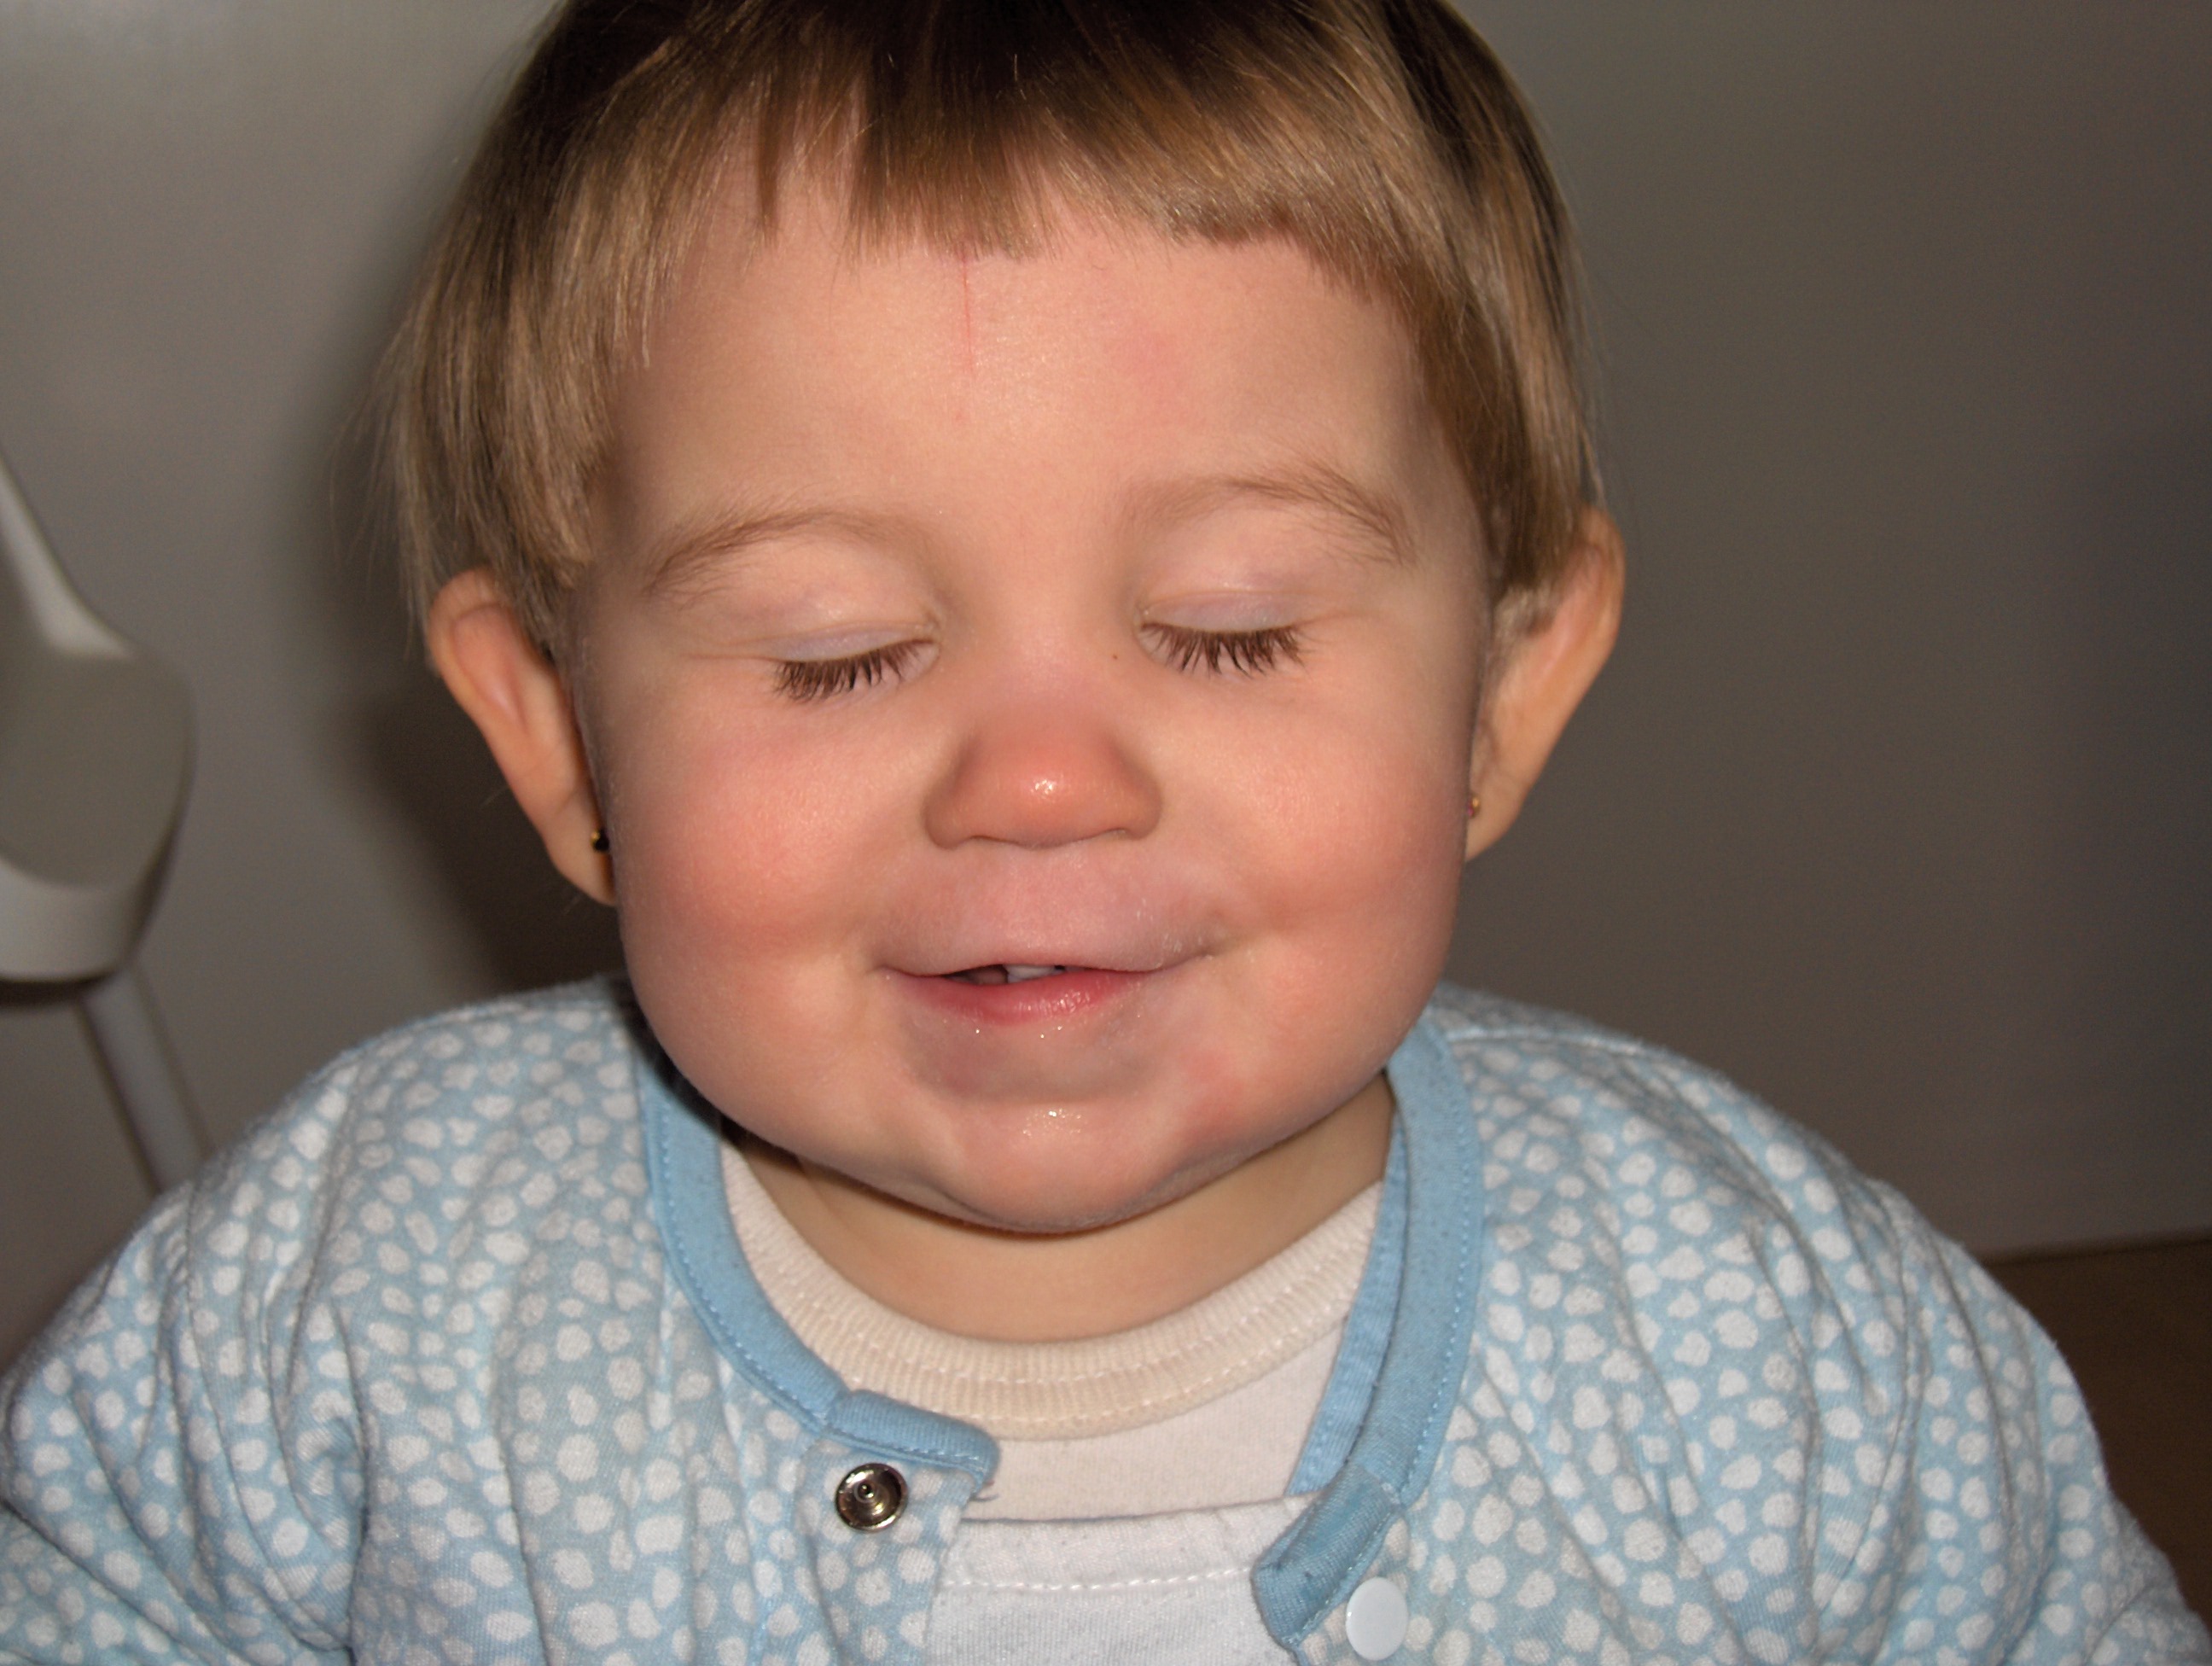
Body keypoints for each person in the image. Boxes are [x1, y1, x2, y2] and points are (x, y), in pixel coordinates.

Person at [2, 2, 2203, 1661]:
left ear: (1505, 693)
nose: (1041, 785)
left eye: (1231, 628)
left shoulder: (1774, 1342)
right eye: (837, 651)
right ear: (561, 735)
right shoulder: (351, 1301)